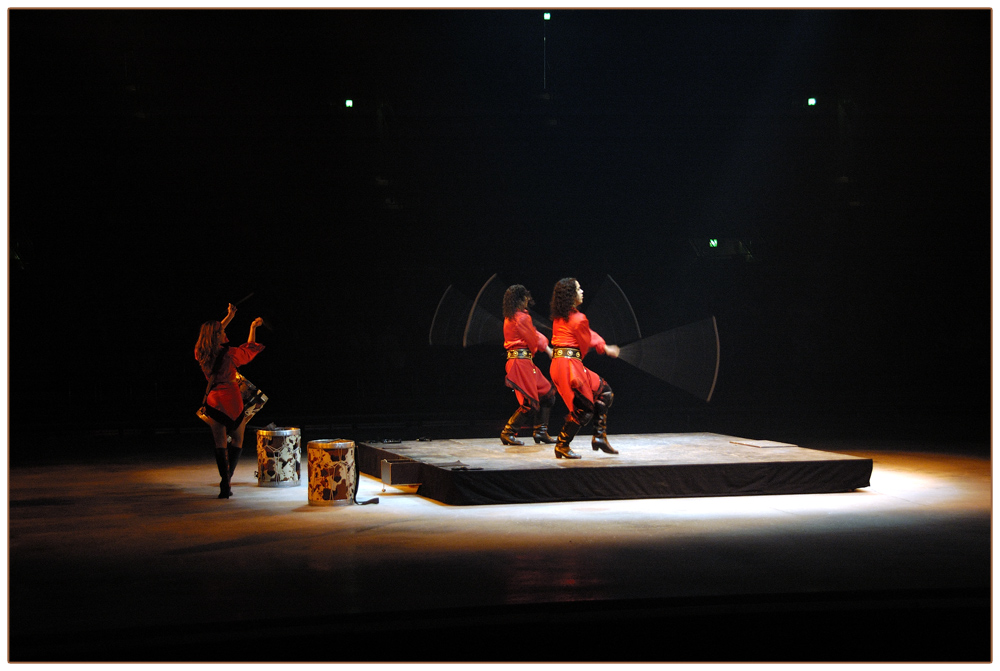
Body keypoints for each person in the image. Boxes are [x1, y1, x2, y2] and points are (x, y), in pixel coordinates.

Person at [194, 303, 265, 498]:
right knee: (238, 441)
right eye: (222, 332)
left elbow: (211, 334)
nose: (225, 334)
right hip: (232, 400)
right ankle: (227, 480)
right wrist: (252, 328)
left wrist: (229, 316)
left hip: (214, 401)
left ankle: (225, 483)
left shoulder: (200, 352)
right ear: (217, 335)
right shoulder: (230, 354)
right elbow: (250, 350)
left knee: (220, 444)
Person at [548, 277, 620, 459]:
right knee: (584, 410)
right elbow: (587, 340)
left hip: (563, 365)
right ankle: (562, 444)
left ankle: (599, 437)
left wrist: (600, 345)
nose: (582, 292)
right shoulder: (578, 319)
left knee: (605, 392)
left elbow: (586, 335)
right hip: (569, 367)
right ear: (571, 295)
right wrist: (605, 348)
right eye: (579, 289)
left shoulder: (560, 317)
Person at [501, 284, 557, 446]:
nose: (527, 301)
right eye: (525, 298)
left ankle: (540, 432)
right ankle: (508, 432)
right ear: (520, 299)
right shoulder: (522, 318)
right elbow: (533, 338)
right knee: (530, 403)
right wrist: (546, 348)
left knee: (547, 395)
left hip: (522, 362)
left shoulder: (512, 317)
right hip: (521, 364)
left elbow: (532, 333)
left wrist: (545, 347)